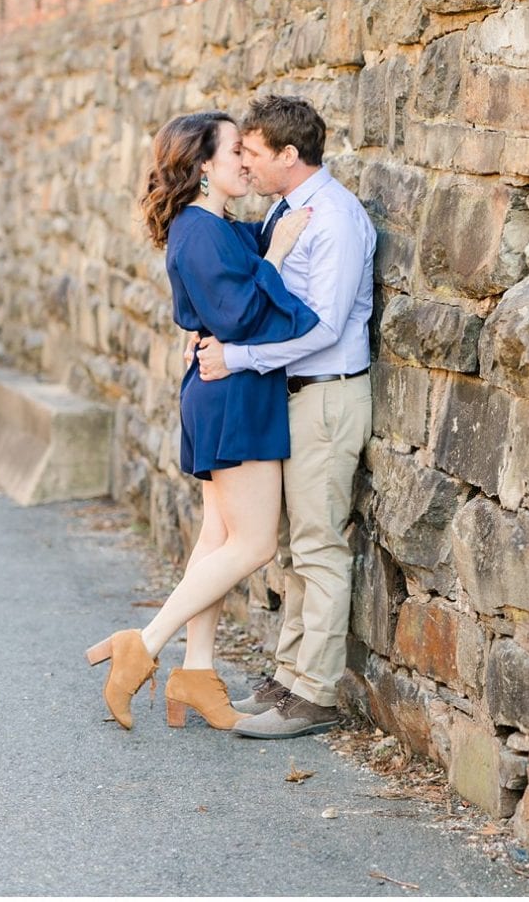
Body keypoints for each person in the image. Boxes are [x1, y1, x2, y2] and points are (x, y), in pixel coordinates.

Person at [87, 110, 316, 731]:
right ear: (204, 167)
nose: (246, 159)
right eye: (234, 149)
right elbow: (240, 315)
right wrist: (280, 253)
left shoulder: (217, 226)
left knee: (217, 540)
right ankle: (146, 642)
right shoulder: (200, 231)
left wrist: (264, 250)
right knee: (254, 542)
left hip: (228, 387)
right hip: (233, 393)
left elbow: (207, 312)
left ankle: (197, 671)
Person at [194, 94, 376, 739]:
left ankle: (315, 695)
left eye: (253, 152)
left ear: (289, 156)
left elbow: (324, 328)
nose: (243, 161)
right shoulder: (283, 209)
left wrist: (238, 357)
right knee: (298, 548)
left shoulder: (334, 219)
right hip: (289, 393)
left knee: (320, 545)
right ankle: (289, 676)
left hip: (326, 393)